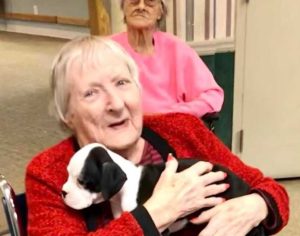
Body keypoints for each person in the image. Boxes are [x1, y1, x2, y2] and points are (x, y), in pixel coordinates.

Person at [25, 36, 289, 236]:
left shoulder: (182, 128)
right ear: (66, 114)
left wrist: (256, 205)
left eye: (122, 83)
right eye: (91, 93)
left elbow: (271, 189)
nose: (116, 104)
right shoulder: (49, 172)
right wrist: (158, 212)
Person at [111, 0, 224, 117]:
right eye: (134, 1)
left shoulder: (176, 48)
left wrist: (180, 112)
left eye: (149, 2)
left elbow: (213, 95)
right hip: (122, 127)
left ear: (160, 12)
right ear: (123, 8)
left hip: (170, 127)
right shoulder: (106, 49)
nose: (141, 7)